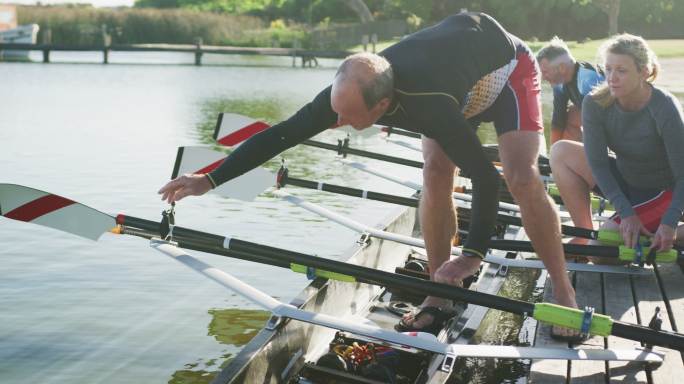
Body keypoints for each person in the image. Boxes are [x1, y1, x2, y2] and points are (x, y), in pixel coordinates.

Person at [159, 12, 578, 338]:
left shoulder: (426, 102)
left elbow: (486, 179)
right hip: (453, 76)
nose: (337, 120)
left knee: (521, 178)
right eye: (336, 111)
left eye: (347, 116)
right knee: (434, 171)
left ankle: (563, 288)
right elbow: (282, 134)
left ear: (381, 109)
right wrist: (210, 179)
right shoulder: (348, 93)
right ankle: (440, 292)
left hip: (505, 70)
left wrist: (472, 254)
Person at [550, 34, 684, 257]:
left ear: (644, 72)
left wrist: (670, 222)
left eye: (621, 71)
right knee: (560, 151)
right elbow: (599, 165)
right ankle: (584, 232)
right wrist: (626, 212)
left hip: (663, 190)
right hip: (626, 181)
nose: (612, 77)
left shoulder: (664, 107)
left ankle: (678, 231)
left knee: (598, 254)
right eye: (608, 69)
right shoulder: (594, 103)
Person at [537, 37, 604, 144]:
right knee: (569, 115)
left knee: (576, 115)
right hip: (593, 119)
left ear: (562, 68)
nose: (543, 78)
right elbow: (558, 119)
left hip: (614, 124)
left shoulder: (588, 79)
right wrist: (554, 152)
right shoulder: (560, 83)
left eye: (545, 72)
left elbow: (599, 119)